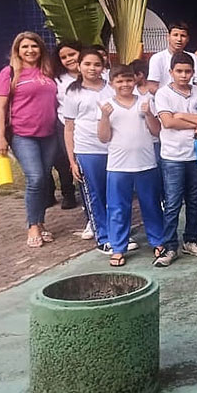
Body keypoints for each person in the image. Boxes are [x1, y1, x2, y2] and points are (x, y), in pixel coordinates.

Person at [0, 32, 60, 249]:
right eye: (25, 47)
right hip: (23, 135)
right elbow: (1, 107)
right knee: (36, 178)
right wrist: (0, 137)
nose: (30, 50)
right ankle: (32, 225)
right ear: (17, 50)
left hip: (49, 134)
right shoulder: (9, 73)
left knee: (44, 180)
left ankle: (41, 222)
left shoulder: (47, 72)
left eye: (34, 46)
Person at [98, 64, 165, 267]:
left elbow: (156, 131)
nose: (124, 84)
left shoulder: (145, 102)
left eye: (128, 80)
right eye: (119, 81)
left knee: (152, 205)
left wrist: (149, 114)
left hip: (146, 164)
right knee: (118, 208)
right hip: (118, 165)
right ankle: (118, 247)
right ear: (112, 84)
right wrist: (105, 117)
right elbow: (103, 137)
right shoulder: (105, 105)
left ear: (134, 81)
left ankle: (158, 241)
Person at [154, 52, 197, 266]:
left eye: (188, 71)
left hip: (195, 155)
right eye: (179, 71)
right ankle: (170, 246)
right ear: (171, 72)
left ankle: (191, 240)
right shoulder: (162, 94)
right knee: (171, 203)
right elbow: (168, 122)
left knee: (194, 200)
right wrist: (195, 125)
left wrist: (181, 116)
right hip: (173, 157)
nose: (184, 75)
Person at [63, 50, 115, 253]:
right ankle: (103, 237)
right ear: (79, 66)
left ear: (103, 67)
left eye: (97, 64)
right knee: (95, 195)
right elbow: (68, 127)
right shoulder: (73, 92)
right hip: (87, 150)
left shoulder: (111, 89)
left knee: (115, 194)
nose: (92, 68)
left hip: (113, 149)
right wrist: (73, 160)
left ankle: (119, 234)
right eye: (87, 64)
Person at [51, 41, 81, 211]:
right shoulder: (58, 79)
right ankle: (69, 193)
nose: (69, 59)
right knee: (71, 163)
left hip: (93, 128)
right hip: (65, 126)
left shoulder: (98, 73)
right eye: (64, 57)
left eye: (72, 54)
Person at [147, 21, 197, 93]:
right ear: (168, 37)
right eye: (175, 35)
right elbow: (152, 87)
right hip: (164, 100)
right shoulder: (157, 58)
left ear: (187, 39)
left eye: (183, 36)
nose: (179, 39)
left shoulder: (194, 58)